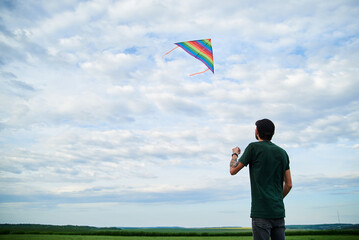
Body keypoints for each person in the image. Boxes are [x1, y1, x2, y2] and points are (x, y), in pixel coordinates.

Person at [230, 119, 292, 240]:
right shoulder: (282, 153)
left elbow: (233, 170)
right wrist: (277, 199)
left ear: (257, 131)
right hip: (278, 212)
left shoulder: (253, 148)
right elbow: (289, 184)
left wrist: (235, 154)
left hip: (261, 212)